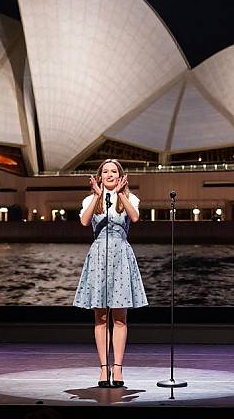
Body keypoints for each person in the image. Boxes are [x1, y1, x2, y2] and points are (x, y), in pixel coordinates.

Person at [73, 158, 148, 388]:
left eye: (113, 171)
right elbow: (85, 222)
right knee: (101, 316)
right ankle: (103, 369)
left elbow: (134, 217)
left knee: (119, 317)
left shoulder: (128, 198)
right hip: (98, 257)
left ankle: (118, 369)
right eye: (105, 171)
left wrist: (122, 194)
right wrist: (97, 195)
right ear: (99, 175)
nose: (109, 175)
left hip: (120, 256)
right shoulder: (91, 199)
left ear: (120, 175)